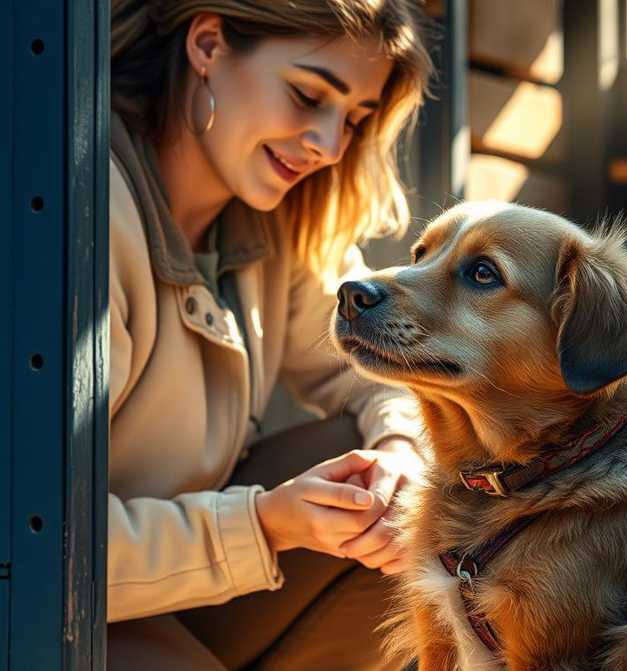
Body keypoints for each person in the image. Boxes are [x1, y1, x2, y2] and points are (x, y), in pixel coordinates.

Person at [107, 1, 434, 668]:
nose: (331, 144)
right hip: (60, 598)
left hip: (188, 583)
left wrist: (401, 454)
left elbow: (381, 372)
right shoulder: (85, 212)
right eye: (308, 94)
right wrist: (263, 523)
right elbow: (31, 547)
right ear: (207, 45)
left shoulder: (277, 221)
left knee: (398, 496)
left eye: (353, 119)